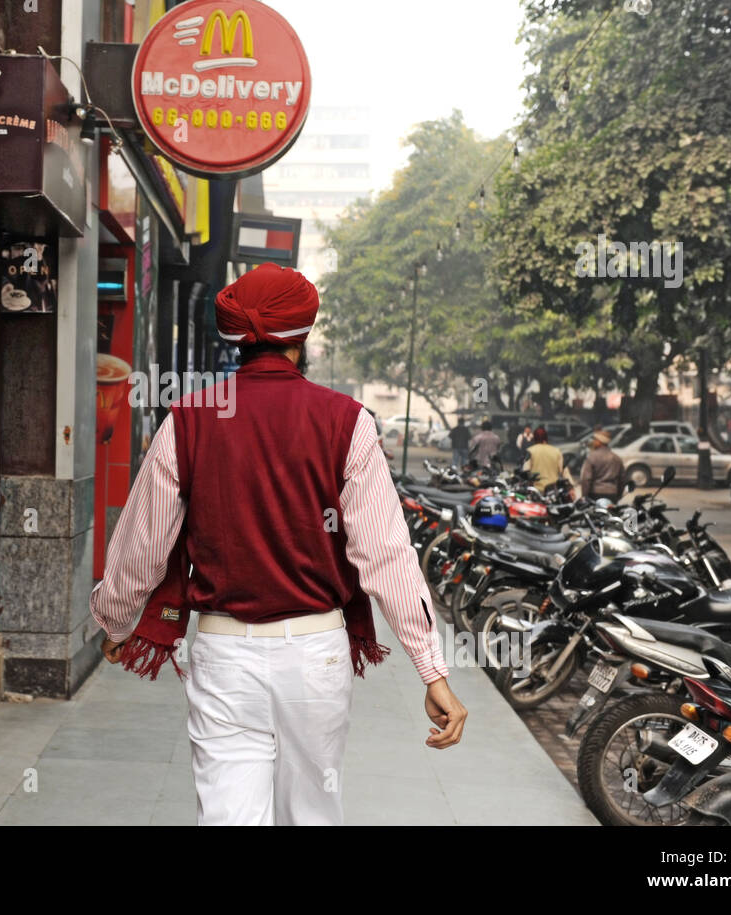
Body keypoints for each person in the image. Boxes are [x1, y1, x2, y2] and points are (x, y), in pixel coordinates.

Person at [90, 262, 466, 826]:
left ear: (235, 337)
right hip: (316, 655)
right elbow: (387, 556)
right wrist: (432, 670)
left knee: (228, 817)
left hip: (222, 656)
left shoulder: (189, 419)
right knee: (312, 813)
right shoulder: (347, 422)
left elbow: (140, 547)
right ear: (304, 338)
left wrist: (117, 624)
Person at [580, 428, 625, 499]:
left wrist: (584, 496)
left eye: (595, 440)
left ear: (599, 442)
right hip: (612, 494)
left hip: (595, 494)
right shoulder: (617, 458)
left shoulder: (592, 457)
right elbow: (622, 480)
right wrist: (618, 495)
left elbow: (586, 479)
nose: (593, 442)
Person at [524, 426, 572, 492]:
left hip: (536, 491)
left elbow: (525, 471)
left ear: (534, 438)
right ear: (546, 437)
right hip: (552, 492)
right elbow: (564, 471)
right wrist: (571, 486)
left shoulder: (530, 451)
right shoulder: (556, 451)